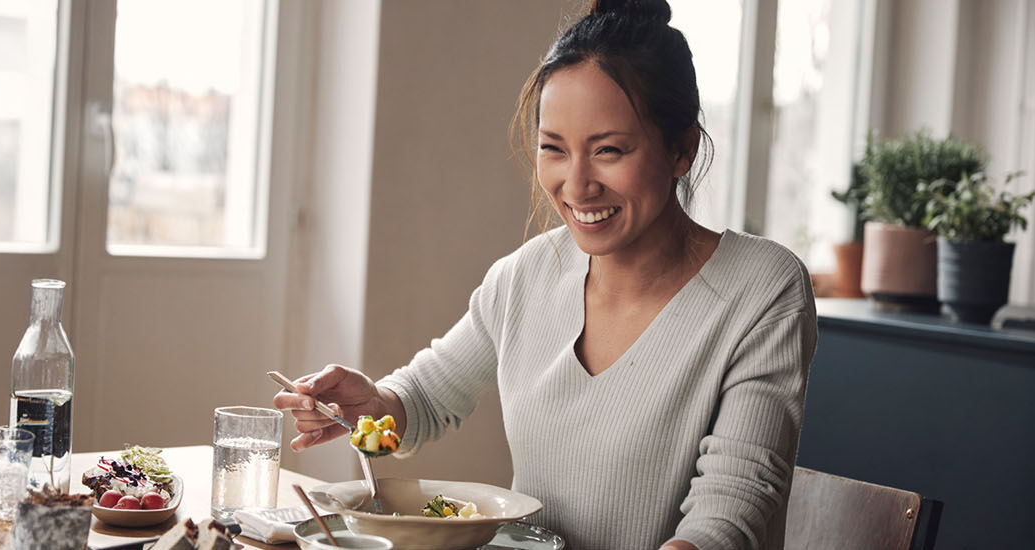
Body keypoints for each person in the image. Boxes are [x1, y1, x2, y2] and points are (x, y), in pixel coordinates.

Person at [272, 0, 817, 548]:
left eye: (609, 151)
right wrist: (373, 406)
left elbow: (730, 512)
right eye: (553, 149)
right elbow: (427, 399)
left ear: (683, 148)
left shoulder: (762, 289)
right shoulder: (527, 276)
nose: (577, 186)